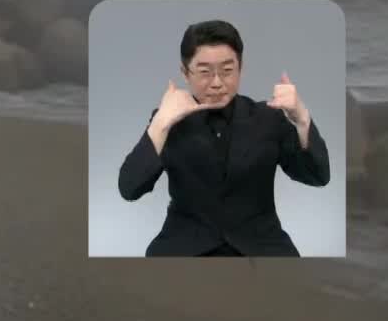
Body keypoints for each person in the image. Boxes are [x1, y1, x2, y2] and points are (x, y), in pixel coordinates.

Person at [117, 19, 331, 256]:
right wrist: (160, 123)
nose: (217, 83)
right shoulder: (168, 121)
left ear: (241, 67)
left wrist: (301, 117)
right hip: (185, 245)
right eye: (205, 72)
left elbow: (318, 175)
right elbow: (129, 188)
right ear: (185, 73)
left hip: (261, 245)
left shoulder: (267, 118)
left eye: (227, 71)